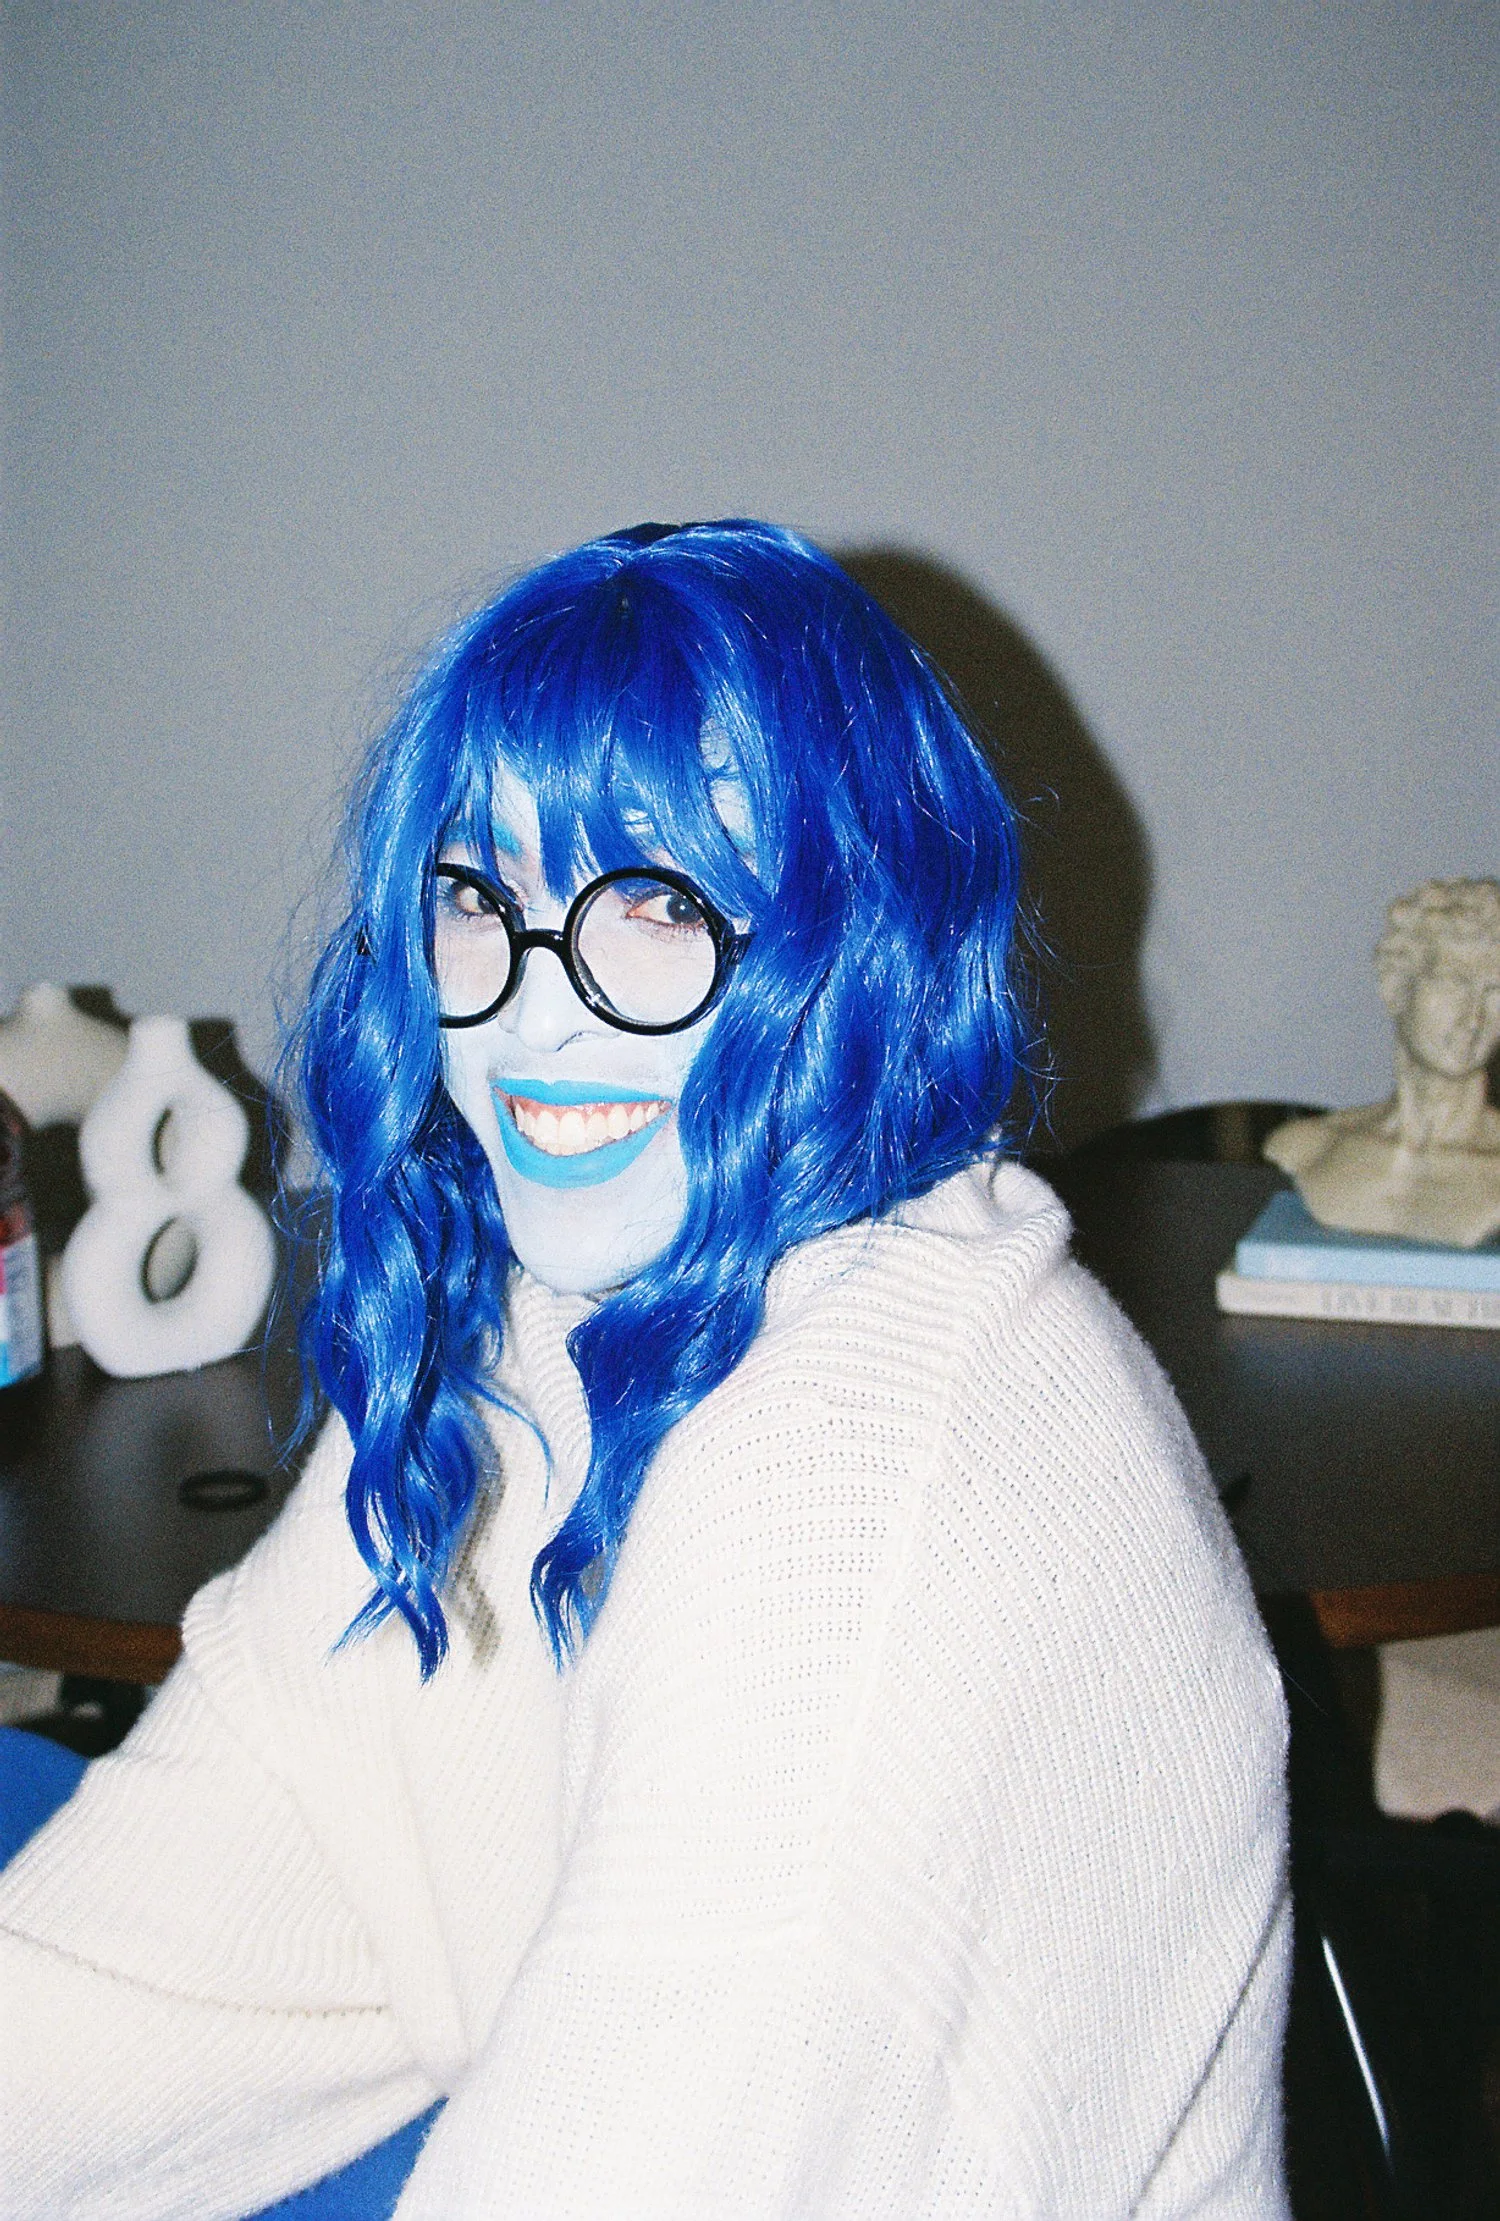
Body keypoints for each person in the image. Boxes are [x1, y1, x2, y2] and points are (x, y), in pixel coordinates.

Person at [0, 521, 1290, 2218]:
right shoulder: (549, 1320)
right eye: (477, 901)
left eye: (660, 905)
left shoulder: (863, 1489)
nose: (537, 1017)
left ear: (863, 932)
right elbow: (181, 1922)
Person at [1265, 876, 1500, 1248]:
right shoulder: (1312, 1146)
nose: (1474, 1018)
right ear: (1396, 988)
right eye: (1454, 983)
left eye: (1493, 991)